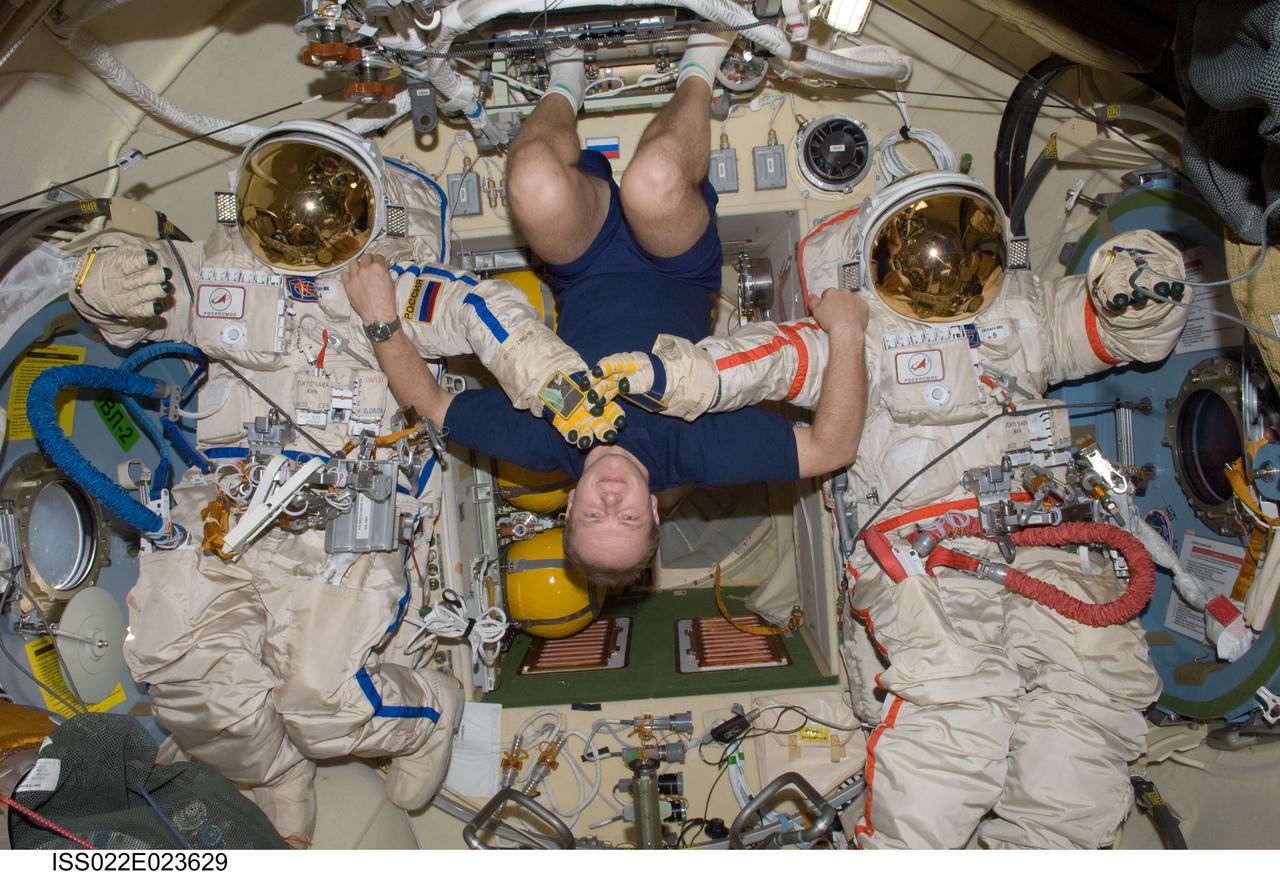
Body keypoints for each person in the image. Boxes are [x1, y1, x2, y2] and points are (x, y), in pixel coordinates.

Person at [598, 170, 1191, 849]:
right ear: (877, 254)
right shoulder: (856, 333)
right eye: (921, 249)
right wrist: (662, 375)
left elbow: (1124, 335)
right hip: (925, 553)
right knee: (959, 704)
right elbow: (758, 361)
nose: (941, 268)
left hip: (1047, 536)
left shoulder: (1026, 311)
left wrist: (1141, 290)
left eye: (958, 243)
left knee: (1091, 691)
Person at [60, 119, 611, 844]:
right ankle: (272, 773)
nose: (301, 224)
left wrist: (551, 378)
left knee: (322, 706)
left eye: (320, 208)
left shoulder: (388, 287)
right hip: (226, 506)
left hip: (343, 515)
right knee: (183, 676)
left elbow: (486, 314)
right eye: (284, 203)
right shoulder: (221, 275)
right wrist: (99, 283)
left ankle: (428, 717)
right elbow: (136, 298)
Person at [340, 34, 870, 588]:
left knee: (532, 185)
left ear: (570, 507)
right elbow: (832, 448)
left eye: (595, 515)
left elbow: (430, 405)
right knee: (652, 183)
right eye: (629, 516)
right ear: (655, 511)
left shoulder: (540, 441)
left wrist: (380, 321)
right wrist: (849, 333)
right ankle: (700, 67)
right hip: (678, 268)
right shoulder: (694, 453)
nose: (612, 498)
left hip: (582, 261)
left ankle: (565, 83)